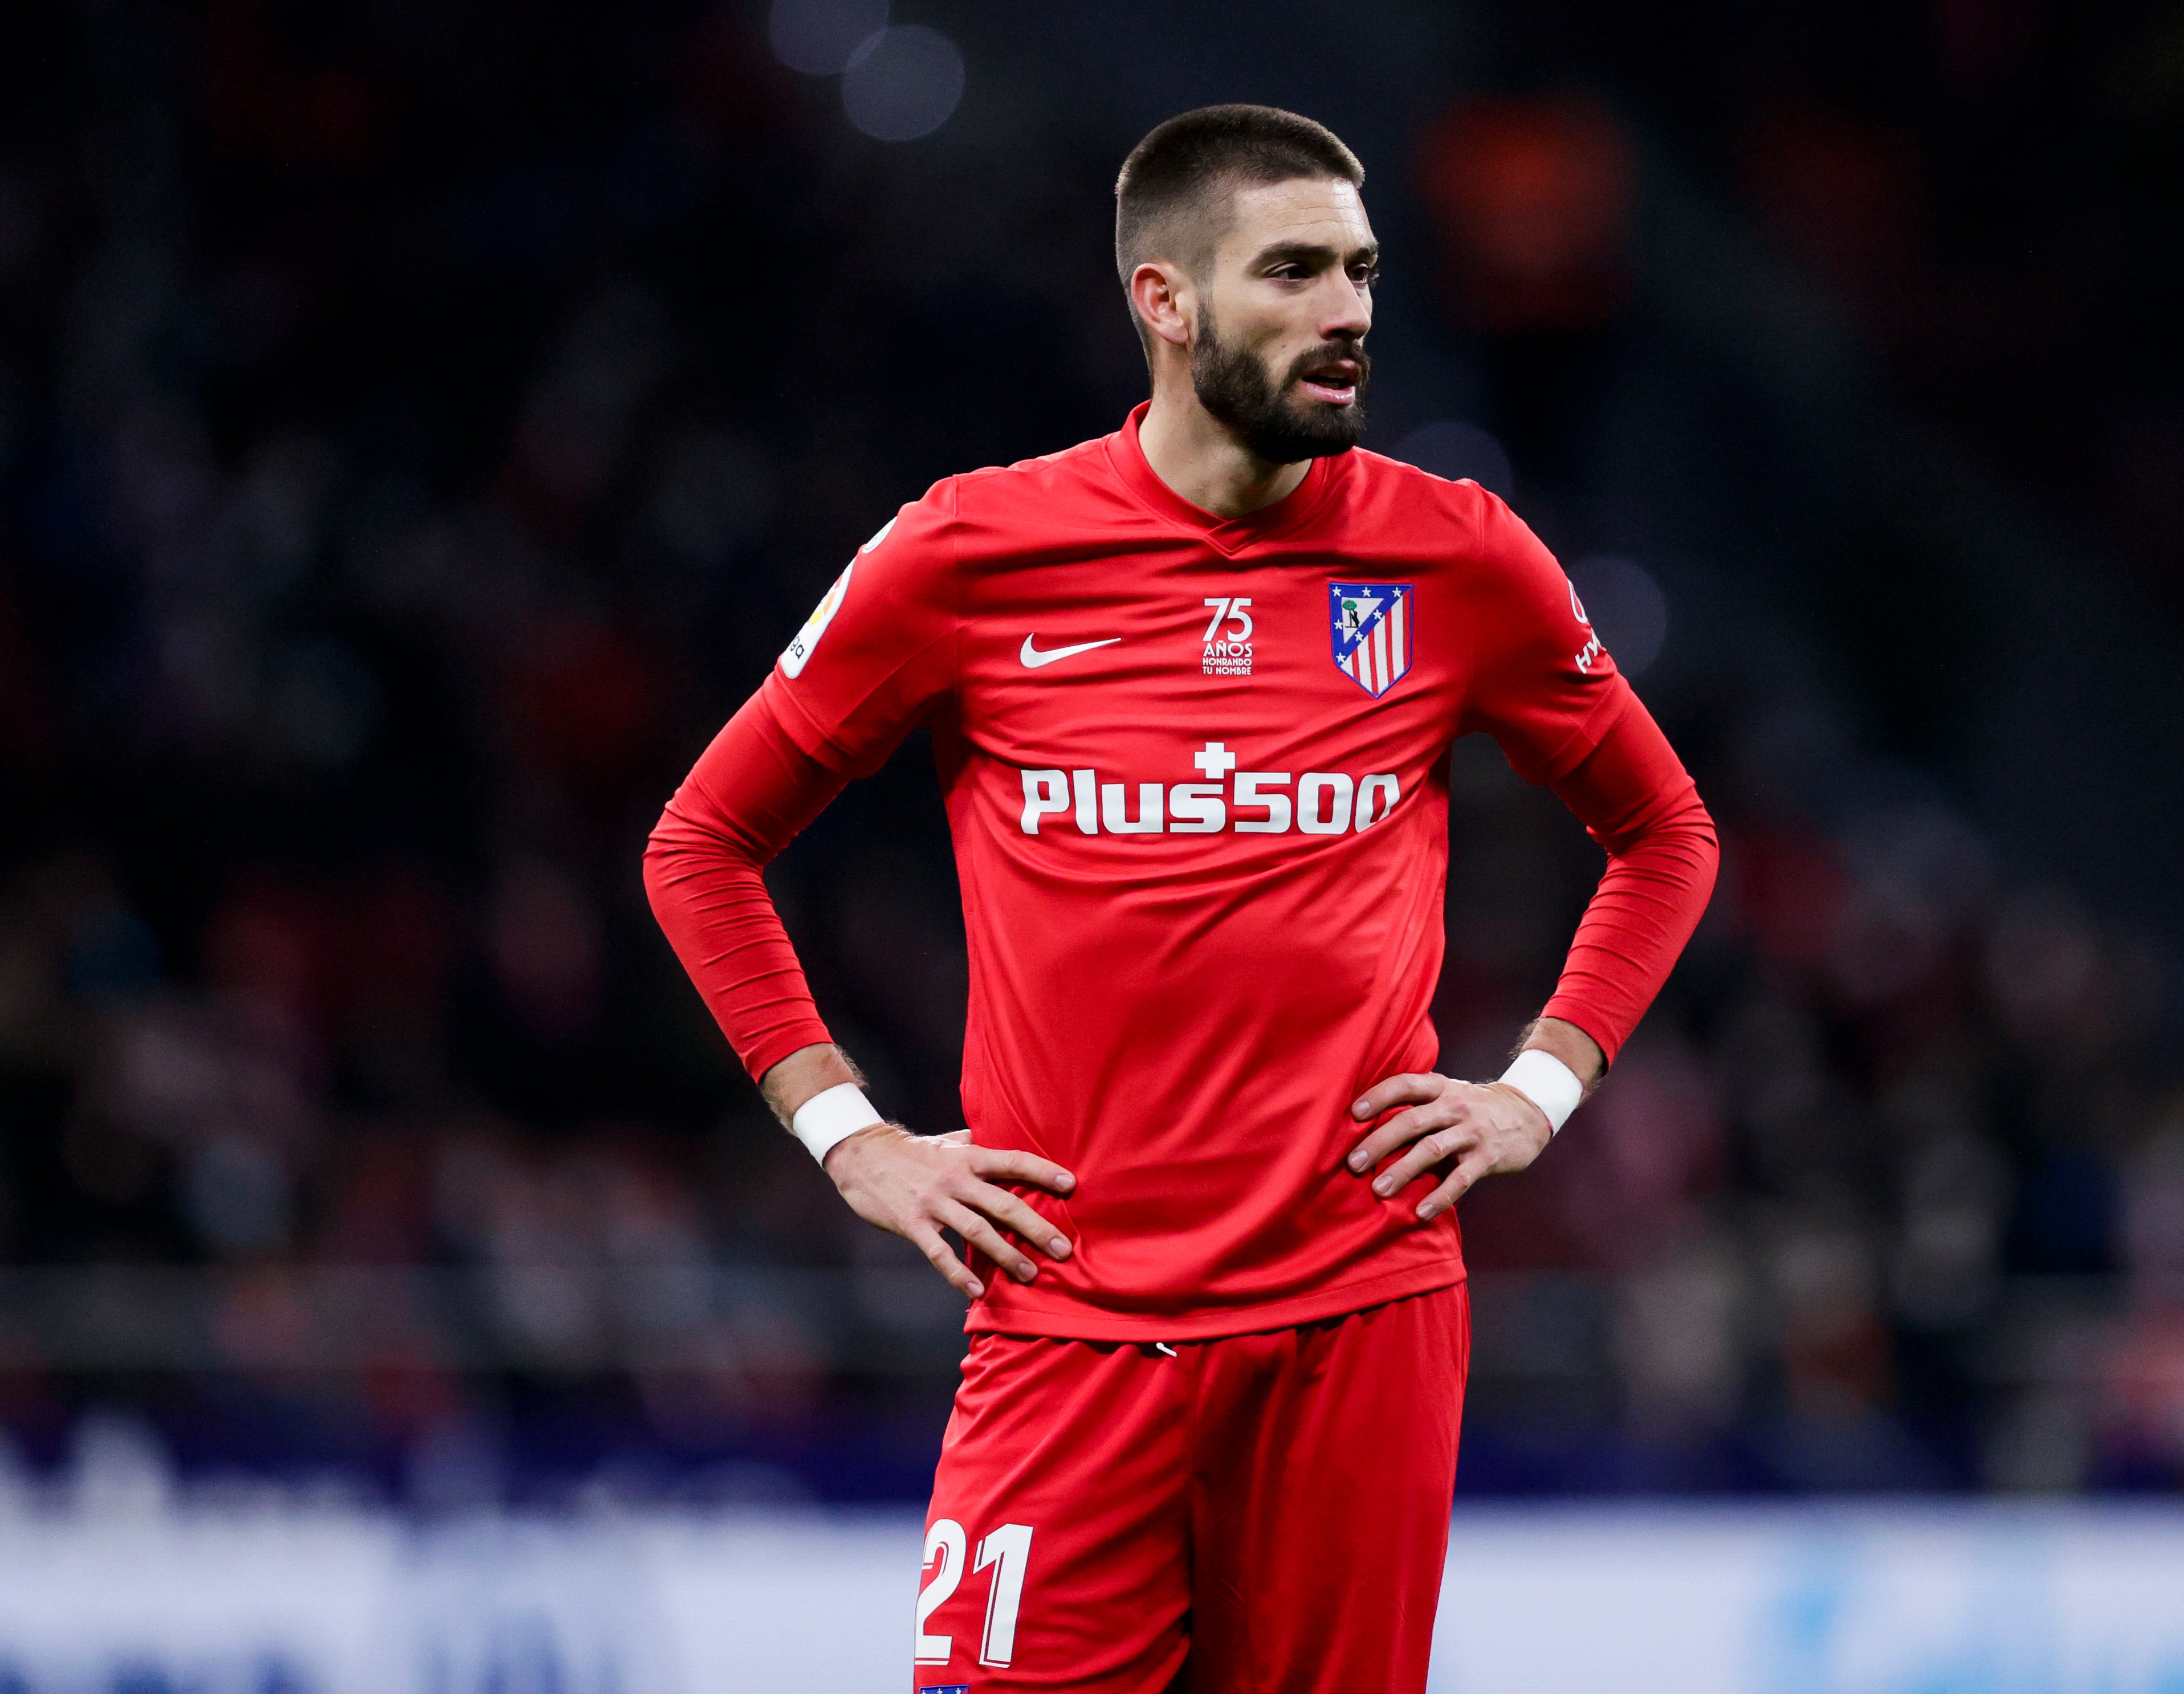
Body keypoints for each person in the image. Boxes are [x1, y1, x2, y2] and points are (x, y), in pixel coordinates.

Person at [645, 103, 1717, 1694]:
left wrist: (1538, 1092)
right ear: (1164, 301)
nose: (1348, 311)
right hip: (1065, 1327)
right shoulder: (968, 554)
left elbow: (1664, 833)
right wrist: (846, 1136)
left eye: (1359, 271)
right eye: (1291, 271)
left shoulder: (1459, 558)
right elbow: (702, 844)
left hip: (1359, 1319)